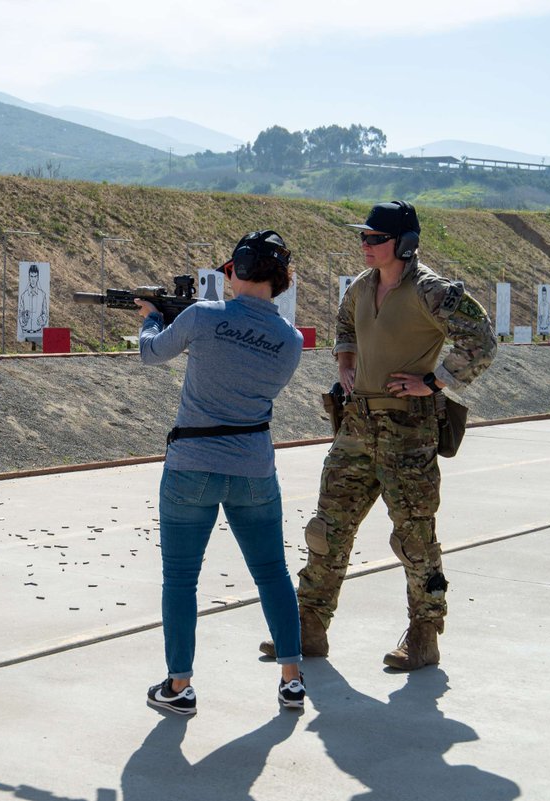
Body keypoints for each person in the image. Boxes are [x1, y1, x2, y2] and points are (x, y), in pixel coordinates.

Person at [261, 200, 496, 671]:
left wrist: (435, 381)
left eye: (374, 239)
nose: (364, 245)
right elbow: (346, 323)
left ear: (404, 244)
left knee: (413, 536)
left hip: (408, 430)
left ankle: (424, 634)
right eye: (362, 238)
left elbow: (482, 341)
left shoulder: (434, 291)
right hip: (356, 423)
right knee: (327, 529)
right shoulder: (362, 288)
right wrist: (345, 360)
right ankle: (310, 626)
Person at [137, 230, 306, 715]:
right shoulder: (290, 340)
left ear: (235, 270)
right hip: (253, 466)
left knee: (181, 579)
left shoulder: (202, 316)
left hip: (191, 464)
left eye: (228, 270)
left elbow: (152, 353)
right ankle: (292, 681)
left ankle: (178, 686)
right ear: (281, 281)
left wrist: (152, 320)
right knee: (272, 572)